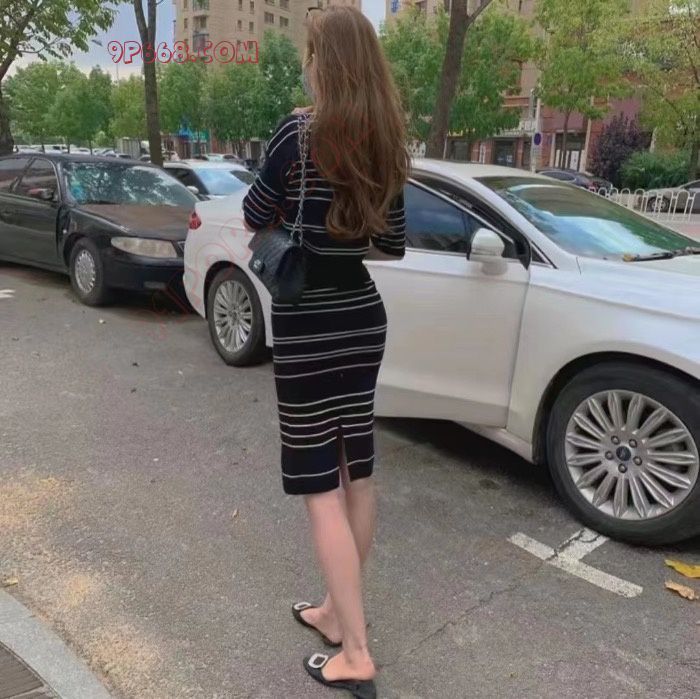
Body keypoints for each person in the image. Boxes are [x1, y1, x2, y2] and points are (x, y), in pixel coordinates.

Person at [243, 6, 408, 698]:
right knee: (355, 475)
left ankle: (357, 652)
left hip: (308, 319)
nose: (305, 64)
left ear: (324, 63)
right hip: (362, 315)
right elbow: (392, 244)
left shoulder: (298, 133)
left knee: (318, 487)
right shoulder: (386, 141)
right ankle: (337, 614)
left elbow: (254, 216)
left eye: (311, 54)